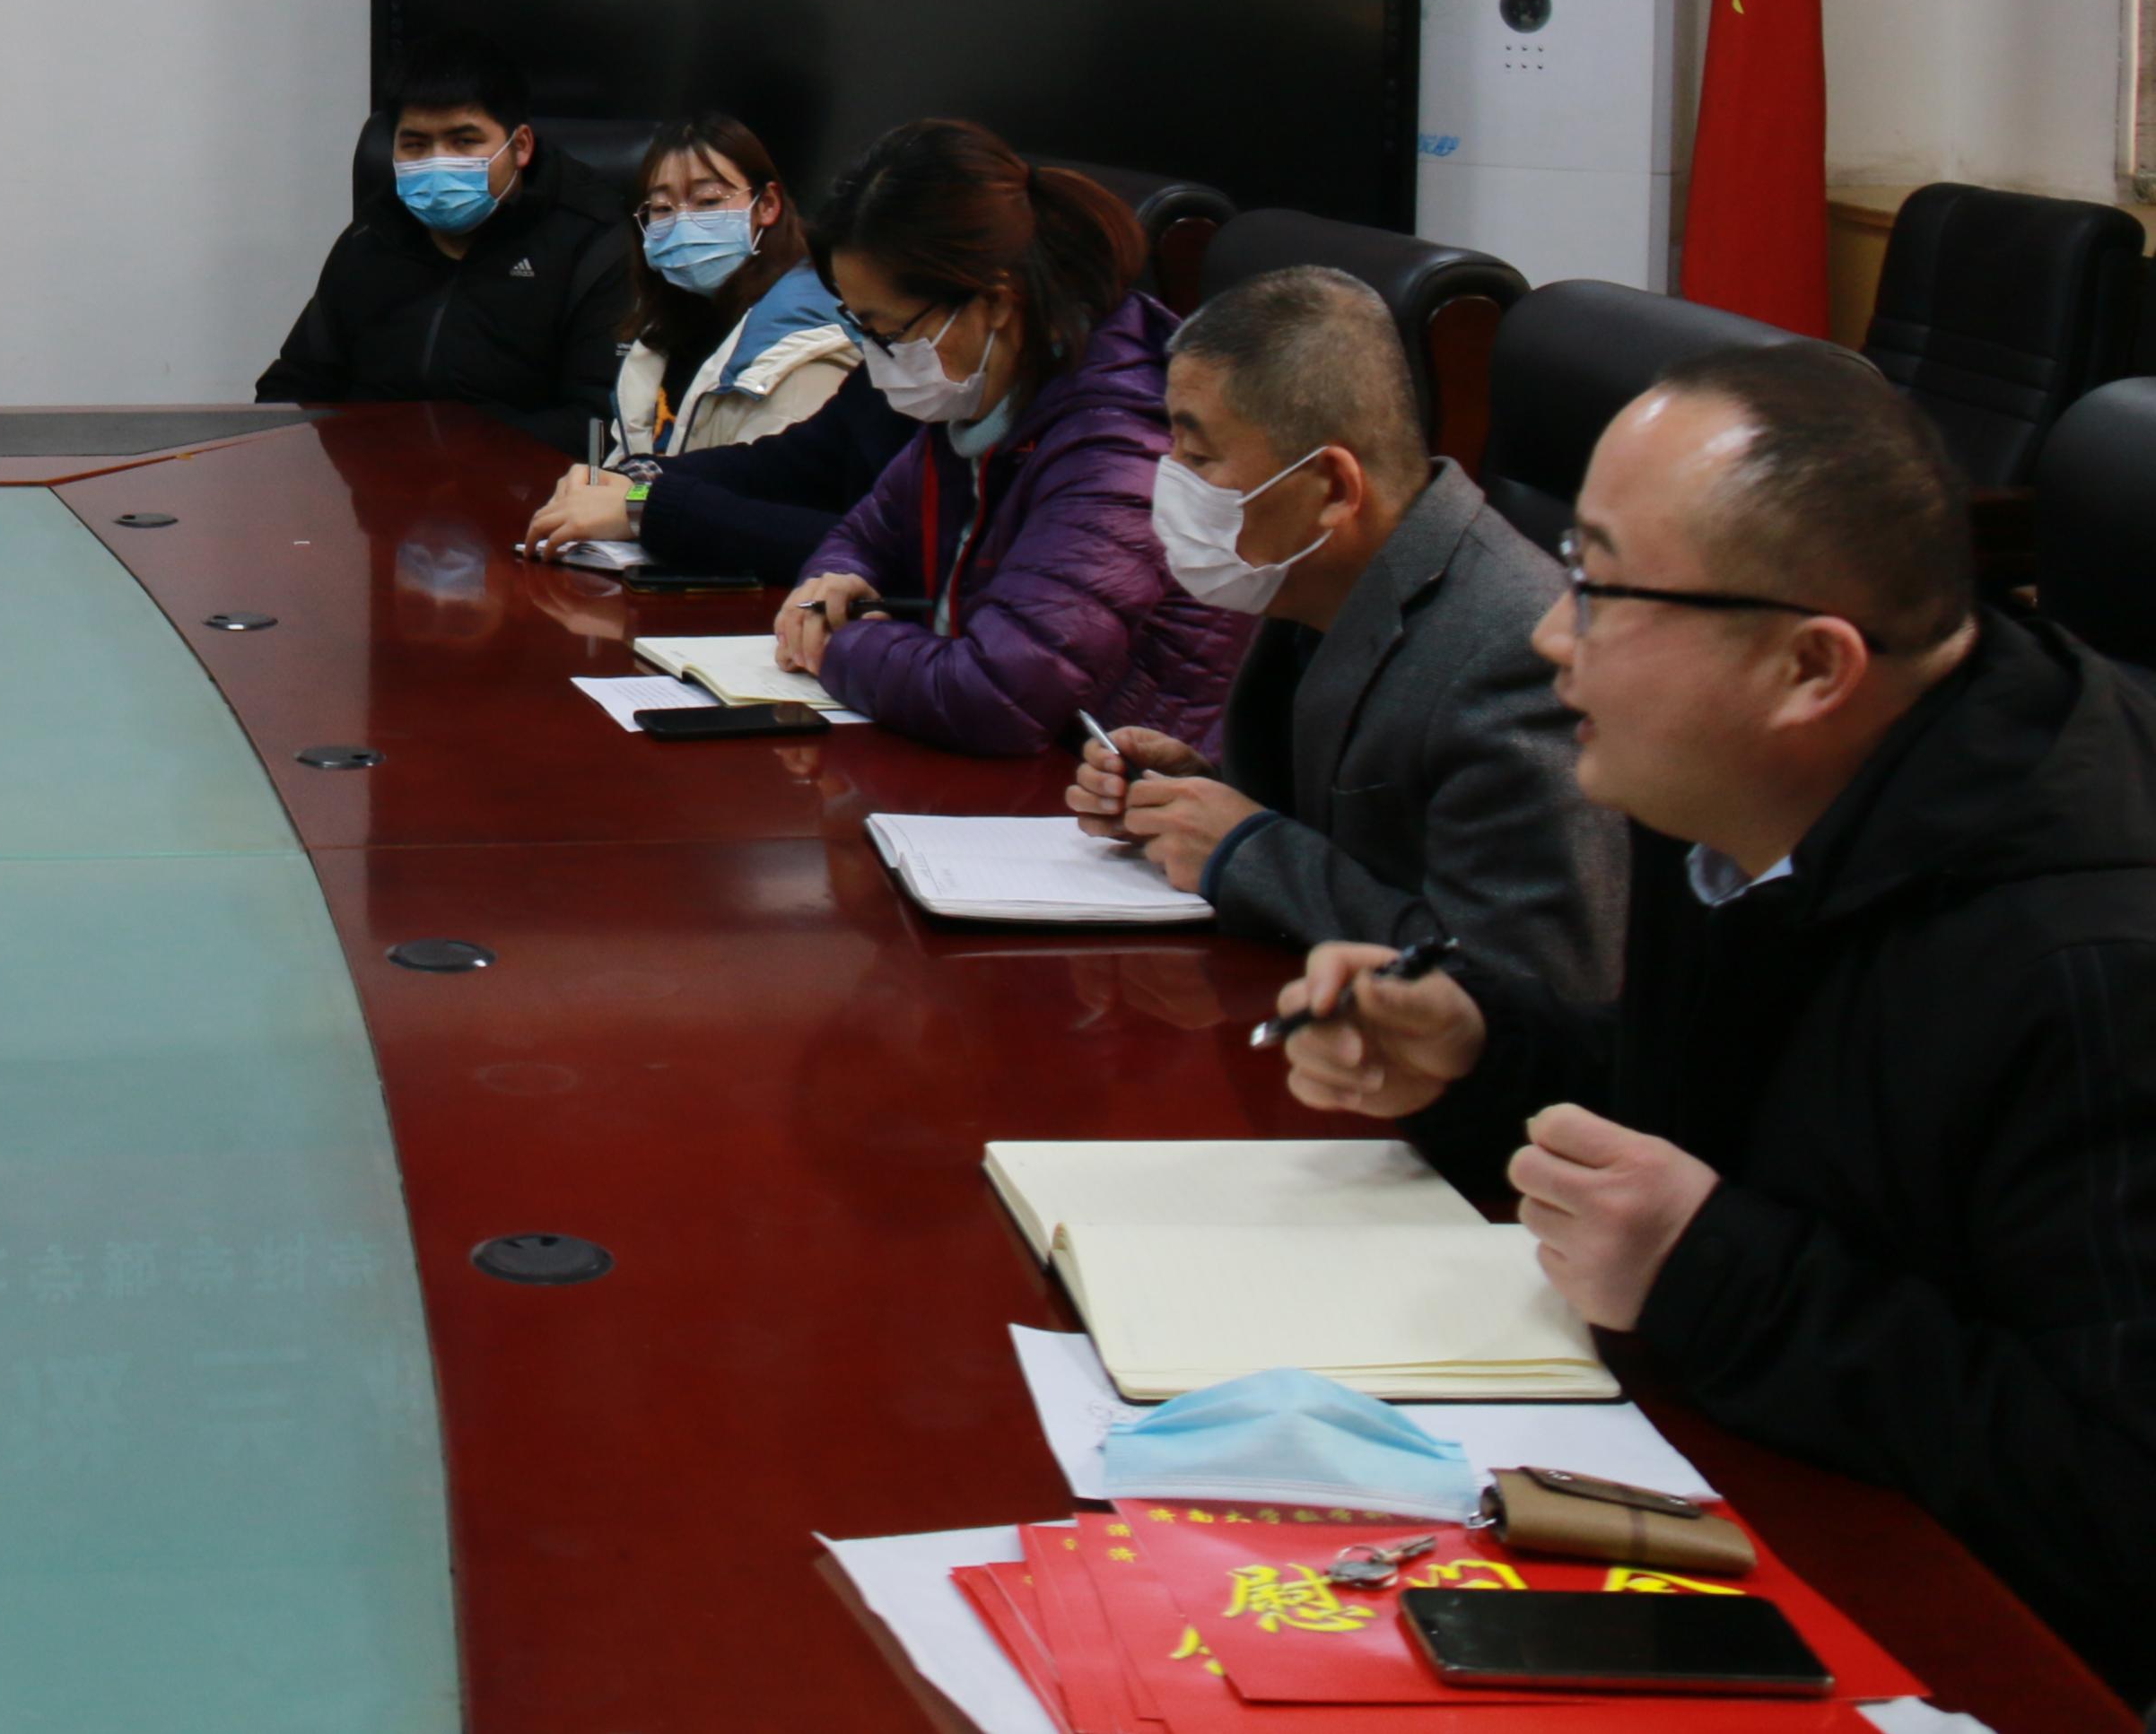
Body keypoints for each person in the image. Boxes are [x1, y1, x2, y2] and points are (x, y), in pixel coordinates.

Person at [1274, 344, 2156, 1701]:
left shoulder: (2093, 967)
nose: (1549, 635)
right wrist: (1480, 1052)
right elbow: (1731, 1117)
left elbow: (2116, 1506)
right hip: (1731, 1502)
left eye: (1600, 587)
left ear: (1808, 666)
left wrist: (1709, 1274)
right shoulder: (1739, 781)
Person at [1066, 266, 1624, 1001]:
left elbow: (1521, 987)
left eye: (1198, 458)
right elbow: (1366, 838)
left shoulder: (1514, 655)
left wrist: (1245, 851)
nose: (1168, 480)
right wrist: (1198, 797)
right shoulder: (1319, 582)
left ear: (1332, 486)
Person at [771, 119, 1253, 751]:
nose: (878, 355)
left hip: (1113, 786)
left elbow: (999, 693)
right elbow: (864, 532)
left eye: (889, 331)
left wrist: (841, 643)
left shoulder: (1119, 444)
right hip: (1027, 773)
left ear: (995, 302)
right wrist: (833, 583)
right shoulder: (991, 397)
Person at [519, 111, 900, 583]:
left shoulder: (817, 347)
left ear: (767, 206)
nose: (684, 223)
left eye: (708, 201)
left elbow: (793, 518)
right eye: (662, 208)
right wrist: (630, 482)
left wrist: (638, 507)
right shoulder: (661, 333)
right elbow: (769, 463)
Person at [254, 59, 638, 450]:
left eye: (464, 142)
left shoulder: (593, 245)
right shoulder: (369, 239)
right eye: (415, 145)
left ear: (520, 146)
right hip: (377, 477)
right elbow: (291, 386)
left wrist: (453, 455)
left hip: (524, 480)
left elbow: (602, 422)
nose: (437, 163)